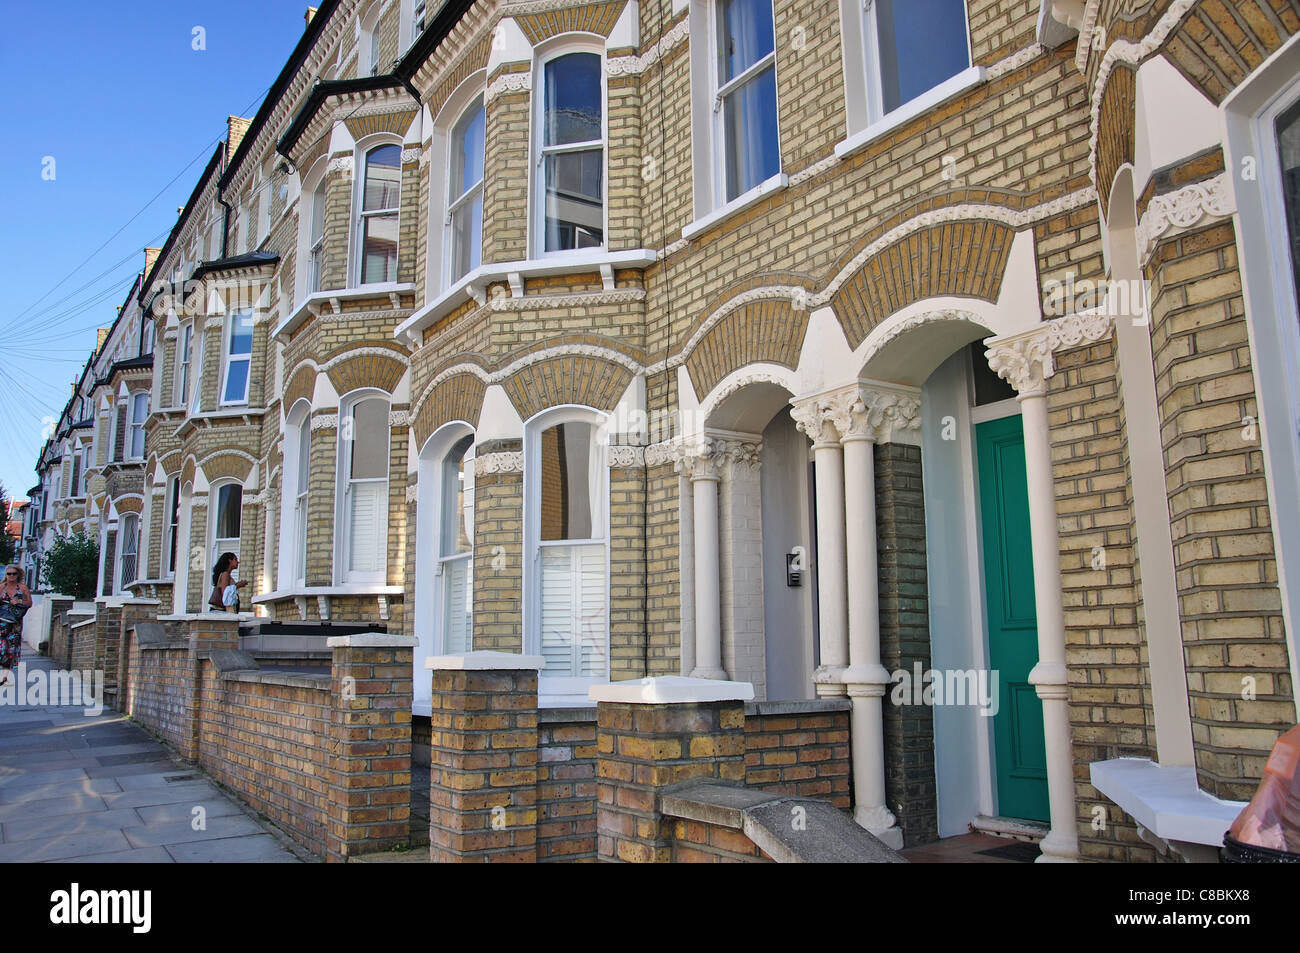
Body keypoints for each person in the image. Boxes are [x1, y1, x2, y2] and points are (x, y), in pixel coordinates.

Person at [0, 566, 32, 688]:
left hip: (15, 624)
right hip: (1, 622)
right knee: (1, 648)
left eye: (14, 574)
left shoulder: (22, 588)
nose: (11, 576)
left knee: (11, 650)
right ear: (6, 575)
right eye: (9, 574)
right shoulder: (2, 587)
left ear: (18, 575)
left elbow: (29, 603)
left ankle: (4, 678)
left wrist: (19, 602)